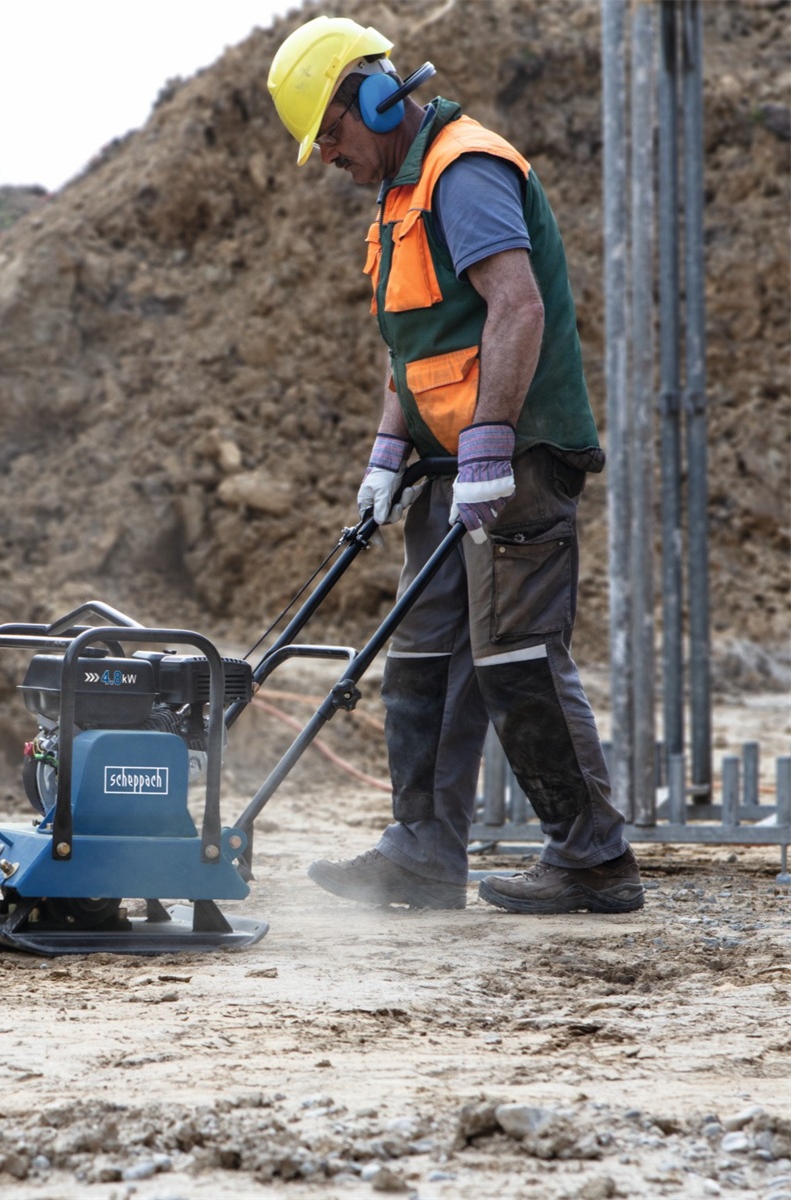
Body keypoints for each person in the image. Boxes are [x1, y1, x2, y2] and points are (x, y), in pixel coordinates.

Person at [266, 15, 643, 915]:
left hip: (516, 453)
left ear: (377, 98)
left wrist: (489, 441)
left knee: (516, 653)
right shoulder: (399, 198)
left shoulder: (463, 170)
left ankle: (594, 861)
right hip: (449, 464)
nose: (327, 155)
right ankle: (423, 852)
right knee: (425, 652)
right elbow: (415, 346)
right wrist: (387, 453)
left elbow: (516, 307)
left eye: (331, 132)